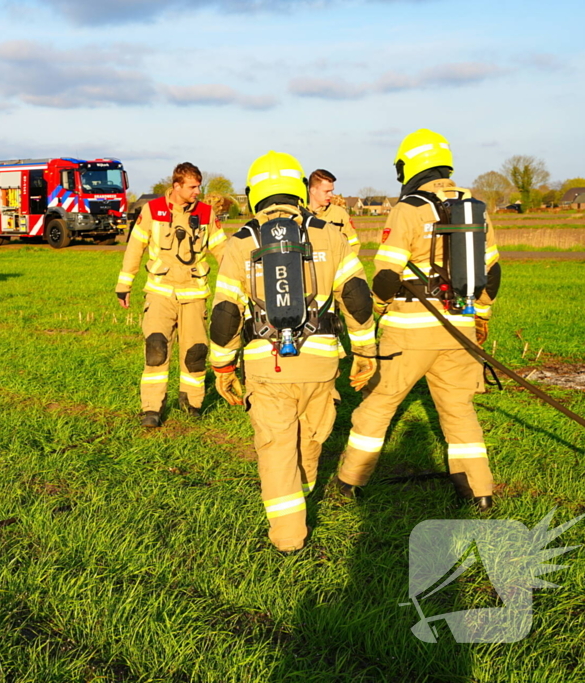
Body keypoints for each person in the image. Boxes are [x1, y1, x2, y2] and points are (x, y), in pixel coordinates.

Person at [209, 151, 377, 554]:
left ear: (254, 195)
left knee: (276, 447)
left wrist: (222, 366)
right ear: (299, 190)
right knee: (311, 439)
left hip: (268, 367)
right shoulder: (330, 234)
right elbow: (356, 298)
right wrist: (366, 351)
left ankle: (288, 538)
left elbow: (225, 314)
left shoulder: (241, 242)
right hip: (321, 365)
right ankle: (304, 495)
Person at [335, 129, 502, 511]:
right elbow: (492, 273)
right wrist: (482, 315)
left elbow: (386, 276)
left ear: (409, 166)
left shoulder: (408, 208)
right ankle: (479, 492)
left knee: (377, 404)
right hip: (459, 327)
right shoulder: (475, 206)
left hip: (409, 329)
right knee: (459, 411)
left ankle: (349, 482)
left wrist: (377, 309)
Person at [115, 162, 227, 428]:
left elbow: (223, 251)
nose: (197, 192)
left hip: (194, 295)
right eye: (192, 187)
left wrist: (242, 281)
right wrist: (124, 284)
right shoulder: (152, 211)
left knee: (195, 353)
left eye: (199, 186)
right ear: (176, 186)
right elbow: (134, 248)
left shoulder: (206, 213)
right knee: (156, 350)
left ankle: (192, 403)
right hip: (159, 295)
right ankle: (152, 409)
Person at [307, 169, 359, 258]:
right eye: (326, 191)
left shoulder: (340, 214)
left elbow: (353, 245)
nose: (331, 195)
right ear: (313, 190)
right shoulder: (298, 214)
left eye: (332, 191)